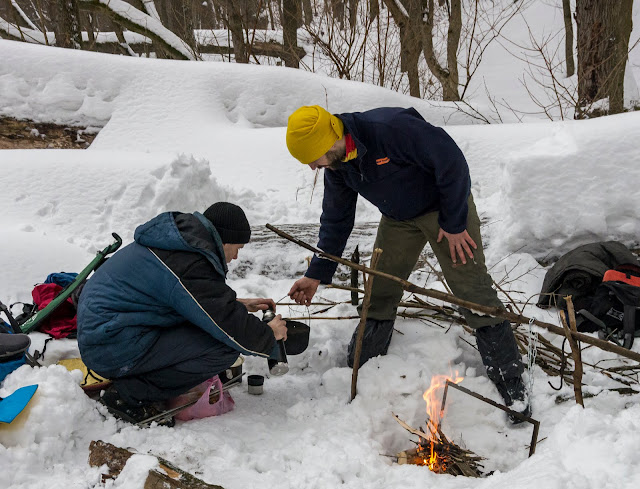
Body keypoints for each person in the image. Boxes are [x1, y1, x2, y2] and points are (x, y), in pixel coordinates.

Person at [285, 105, 529, 420]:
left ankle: (511, 384)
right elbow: (336, 220)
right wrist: (316, 275)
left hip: (446, 209)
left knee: (472, 291)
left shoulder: (390, 129)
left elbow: (451, 162)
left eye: (311, 159)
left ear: (326, 143)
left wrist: (455, 223)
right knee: (379, 290)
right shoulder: (338, 166)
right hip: (399, 219)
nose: (312, 167)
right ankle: (363, 367)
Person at [77, 202, 287, 425]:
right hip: (111, 345)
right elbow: (227, 325)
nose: (235, 257)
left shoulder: (179, 246)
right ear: (224, 240)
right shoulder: (188, 262)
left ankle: (141, 380)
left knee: (208, 330)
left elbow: (184, 298)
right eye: (237, 248)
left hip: (112, 333)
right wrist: (268, 335)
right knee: (224, 347)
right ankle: (128, 395)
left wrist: (239, 304)